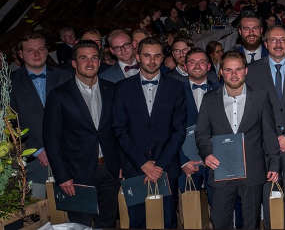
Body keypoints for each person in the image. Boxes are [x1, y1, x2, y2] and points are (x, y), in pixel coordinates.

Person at [195, 50, 280, 229]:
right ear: (221, 72)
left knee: (251, 222)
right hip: (220, 169)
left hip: (252, 170)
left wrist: (274, 163)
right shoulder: (209, 99)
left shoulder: (260, 97)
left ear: (246, 71)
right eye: (228, 70)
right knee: (219, 221)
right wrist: (207, 154)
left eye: (238, 69)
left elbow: (269, 133)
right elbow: (201, 133)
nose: (234, 75)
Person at [43, 41, 120, 228]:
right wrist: (62, 176)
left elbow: (119, 130)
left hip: (109, 170)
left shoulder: (113, 90)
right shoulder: (59, 95)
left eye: (94, 57)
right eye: (83, 58)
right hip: (76, 174)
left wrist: (121, 164)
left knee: (108, 222)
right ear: (74, 63)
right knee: (80, 224)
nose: (90, 63)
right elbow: (51, 139)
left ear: (100, 62)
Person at [113, 37, 186, 228]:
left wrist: (159, 165)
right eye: (147, 56)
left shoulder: (176, 87)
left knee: (167, 221)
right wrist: (143, 163)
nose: (152, 61)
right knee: (138, 222)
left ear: (163, 58)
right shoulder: (122, 89)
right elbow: (119, 130)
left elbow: (179, 131)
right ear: (138, 57)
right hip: (135, 167)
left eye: (157, 56)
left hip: (166, 168)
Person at [246, 25, 285, 230]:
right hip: (265, 147)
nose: (278, 44)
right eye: (273, 40)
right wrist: (270, 139)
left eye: (283, 39)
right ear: (265, 43)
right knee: (269, 195)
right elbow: (252, 111)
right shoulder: (253, 70)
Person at [10, 33, 72, 169]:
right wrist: (35, 149)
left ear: (47, 51)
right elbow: (9, 125)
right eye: (30, 51)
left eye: (41, 49)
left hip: (70, 155)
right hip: (33, 161)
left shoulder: (67, 77)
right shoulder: (9, 83)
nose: (36, 54)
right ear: (21, 54)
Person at [177, 47, 219, 194]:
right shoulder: (173, 91)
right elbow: (169, 129)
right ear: (185, 66)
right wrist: (182, 161)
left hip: (216, 159)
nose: (197, 66)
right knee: (190, 210)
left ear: (208, 66)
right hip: (187, 160)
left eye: (202, 62)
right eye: (192, 62)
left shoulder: (221, 89)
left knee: (220, 207)